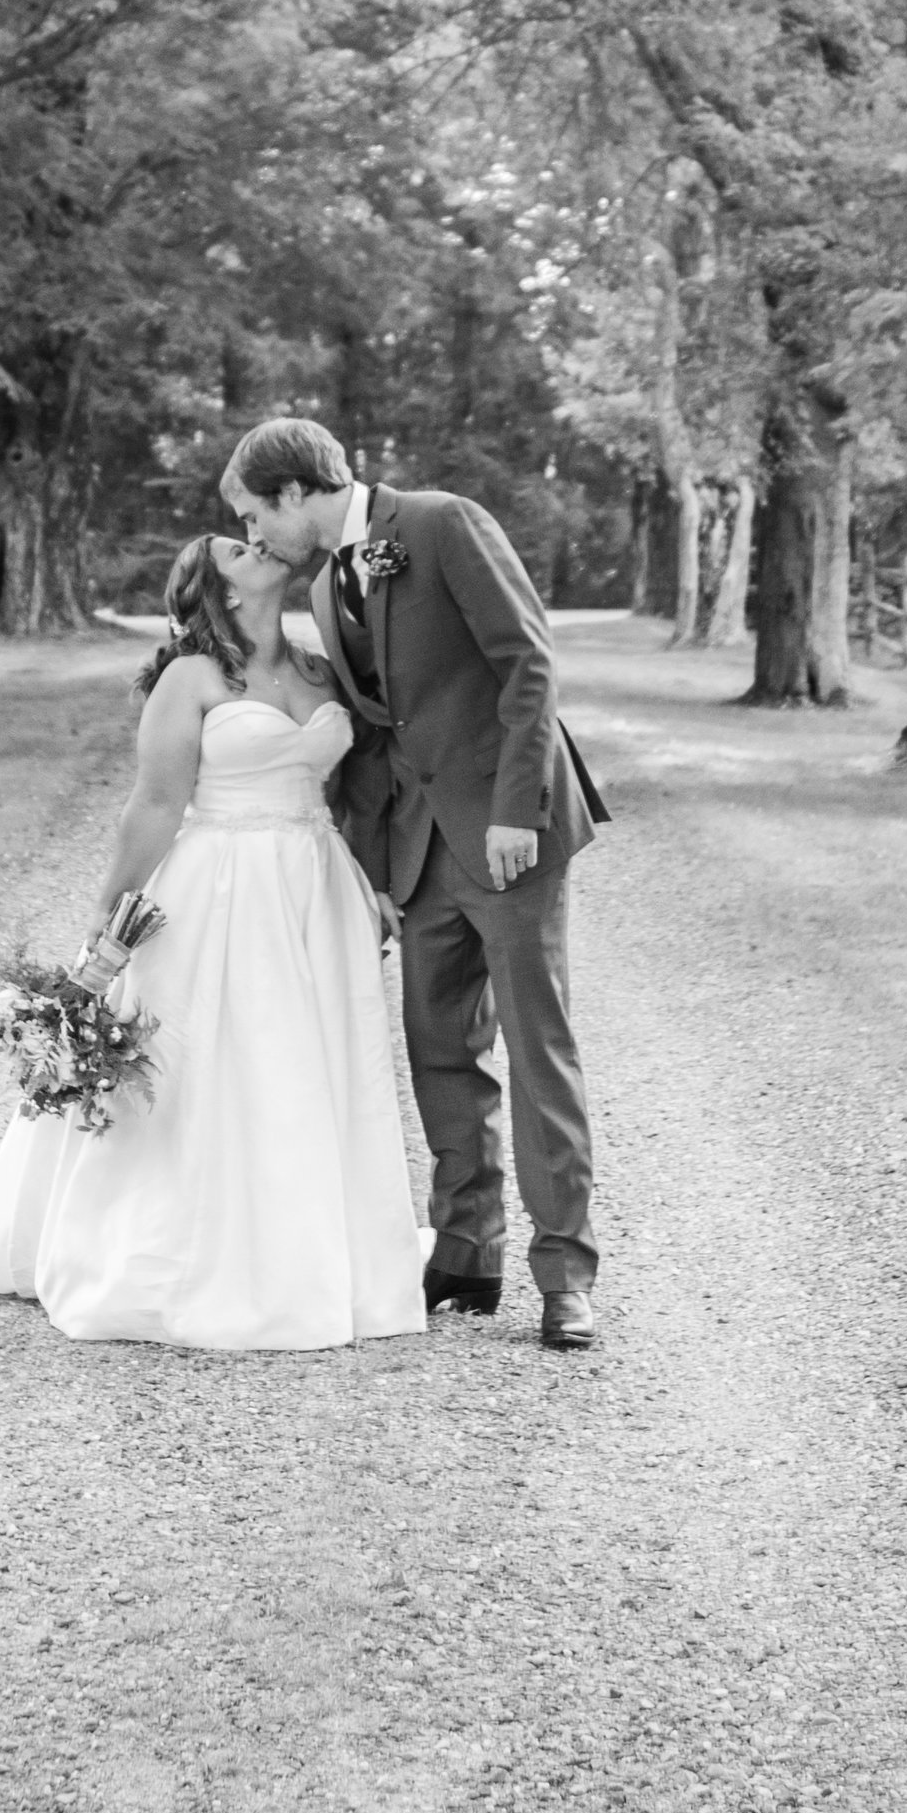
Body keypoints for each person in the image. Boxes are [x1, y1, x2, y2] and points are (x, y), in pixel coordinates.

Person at [0, 529, 426, 1352]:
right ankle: (183, 1258)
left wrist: (372, 882)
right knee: (213, 1064)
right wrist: (108, 915)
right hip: (219, 886)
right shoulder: (191, 678)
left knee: (307, 1066)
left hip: (314, 889)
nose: (261, 545)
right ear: (222, 591)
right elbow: (156, 804)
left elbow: (358, 793)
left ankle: (307, 1253)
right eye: (239, 550)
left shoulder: (320, 669)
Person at [220, 415, 608, 1353]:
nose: (256, 539)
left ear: (293, 495)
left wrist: (520, 811)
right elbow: (376, 734)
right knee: (439, 1054)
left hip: (510, 837)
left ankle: (566, 1279)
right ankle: (467, 1253)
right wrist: (370, 868)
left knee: (535, 1049)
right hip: (421, 851)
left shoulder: (442, 523)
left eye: (252, 516)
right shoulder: (321, 579)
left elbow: (527, 666)